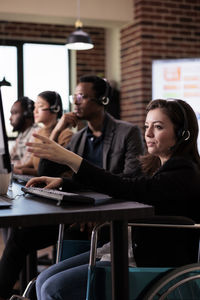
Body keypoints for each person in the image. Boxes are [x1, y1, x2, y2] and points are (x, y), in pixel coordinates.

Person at [24, 98, 200, 300]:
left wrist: (70, 159)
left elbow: (125, 187)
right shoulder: (159, 168)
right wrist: (64, 183)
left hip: (148, 259)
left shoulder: (183, 172)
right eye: (147, 126)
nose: (148, 133)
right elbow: (122, 179)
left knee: (53, 288)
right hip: (129, 248)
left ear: (183, 135)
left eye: (158, 127)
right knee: (43, 279)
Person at [0, 76, 144, 300]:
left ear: (103, 100)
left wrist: (96, 206)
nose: (75, 102)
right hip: (80, 212)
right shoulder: (78, 139)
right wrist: (58, 129)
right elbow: (45, 170)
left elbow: (130, 179)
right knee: (21, 237)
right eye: (74, 96)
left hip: (110, 214)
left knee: (63, 244)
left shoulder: (128, 132)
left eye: (82, 96)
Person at [13, 91, 73, 176]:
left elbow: (49, 171)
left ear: (55, 108)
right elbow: (32, 163)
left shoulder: (66, 135)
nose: (35, 111)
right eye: (34, 107)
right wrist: (13, 168)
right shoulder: (39, 133)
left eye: (40, 106)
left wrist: (22, 171)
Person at [10, 97, 37, 167]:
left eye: (14, 113)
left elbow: (25, 164)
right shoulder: (22, 135)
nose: (10, 118)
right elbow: (8, 158)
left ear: (27, 114)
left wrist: (8, 164)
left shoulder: (35, 133)